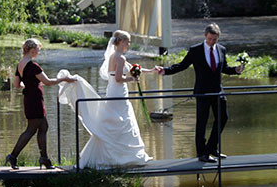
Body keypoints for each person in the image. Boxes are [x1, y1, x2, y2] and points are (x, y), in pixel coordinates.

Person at [57, 30, 156, 168]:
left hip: (113, 92)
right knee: (122, 121)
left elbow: (133, 68)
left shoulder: (114, 56)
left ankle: (116, 156)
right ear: (121, 42)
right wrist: (132, 79)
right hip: (119, 93)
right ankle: (122, 158)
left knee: (116, 122)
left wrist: (151, 71)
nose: (129, 43)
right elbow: (119, 78)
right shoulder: (120, 58)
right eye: (128, 41)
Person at [157, 23, 245, 163]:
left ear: (218, 38)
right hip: (202, 92)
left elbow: (224, 68)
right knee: (202, 123)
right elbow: (182, 65)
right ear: (205, 36)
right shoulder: (195, 50)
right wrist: (166, 70)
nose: (212, 42)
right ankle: (202, 153)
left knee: (223, 118)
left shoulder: (221, 49)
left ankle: (211, 148)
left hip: (217, 91)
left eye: (215, 40)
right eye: (210, 39)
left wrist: (236, 70)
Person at [5, 38, 75, 169]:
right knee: (31, 129)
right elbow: (48, 82)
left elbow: (16, 84)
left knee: (43, 127)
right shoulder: (33, 66)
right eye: (38, 49)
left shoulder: (20, 64)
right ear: (32, 50)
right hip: (35, 100)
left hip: (30, 99)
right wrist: (64, 79)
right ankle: (13, 156)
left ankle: (44, 159)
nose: (39, 52)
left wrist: (29, 84)